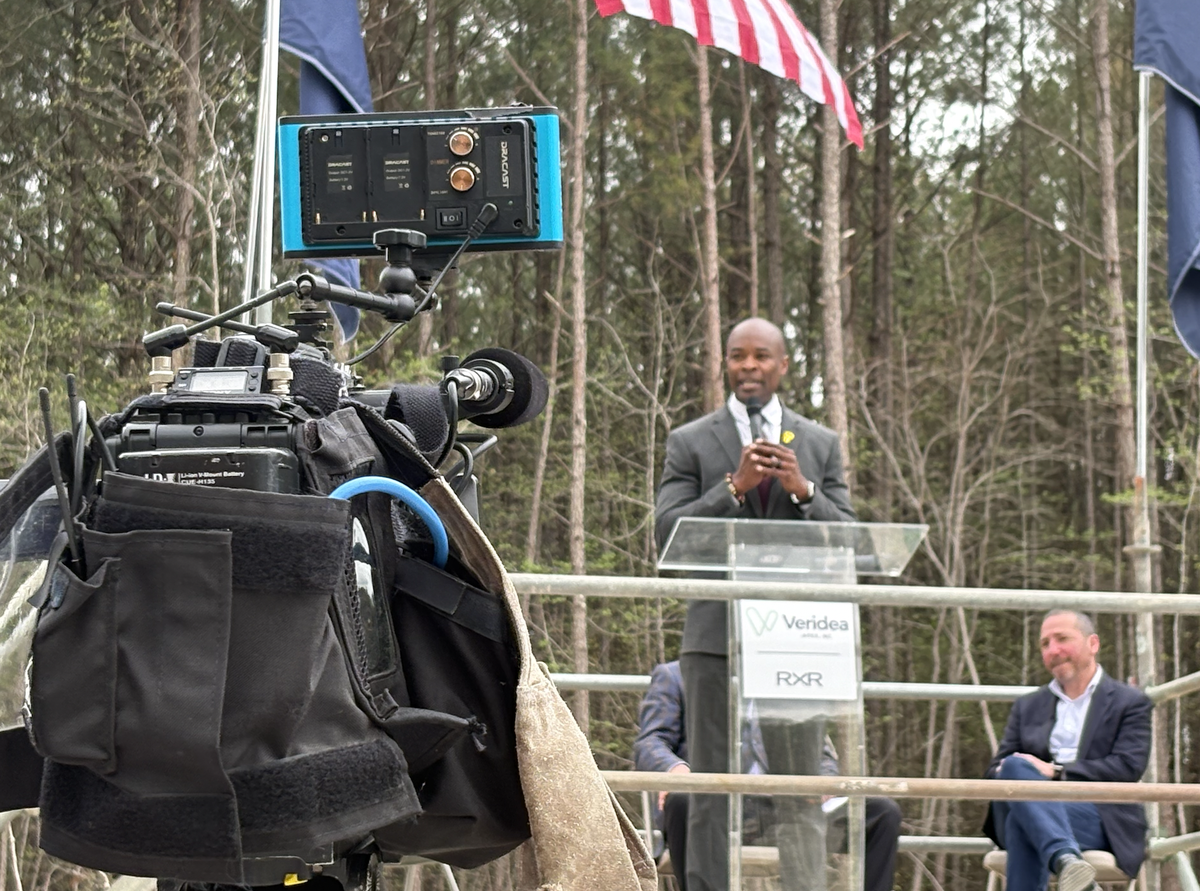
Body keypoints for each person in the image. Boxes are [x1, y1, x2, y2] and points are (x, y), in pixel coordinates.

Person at [655, 318, 857, 891]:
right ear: (725, 363)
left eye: (761, 356)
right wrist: (733, 488)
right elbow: (667, 536)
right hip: (715, 634)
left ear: (783, 365)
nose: (749, 366)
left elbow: (847, 537)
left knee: (798, 787)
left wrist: (805, 491)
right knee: (714, 786)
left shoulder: (818, 445)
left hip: (797, 633)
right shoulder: (691, 441)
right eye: (738, 356)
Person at [635, 661, 902, 891]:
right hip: (715, 801)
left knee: (882, 812)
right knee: (683, 799)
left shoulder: (782, 679)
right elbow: (650, 742)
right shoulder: (676, 675)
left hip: (787, 804)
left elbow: (821, 754)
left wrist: (820, 782)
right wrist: (677, 770)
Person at [982, 610, 1152, 891]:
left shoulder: (1129, 702)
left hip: (1097, 816)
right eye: (1045, 644)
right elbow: (994, 770)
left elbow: (1127, 767)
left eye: (1062, 639)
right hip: (1025, 803)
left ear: (1093, 644)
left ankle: (1064, 859)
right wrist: (1021, 772)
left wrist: (1056, 772)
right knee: (1013, 767)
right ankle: (1066, 860)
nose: (1053, 650)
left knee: (1021, 822)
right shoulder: (1028, 706)